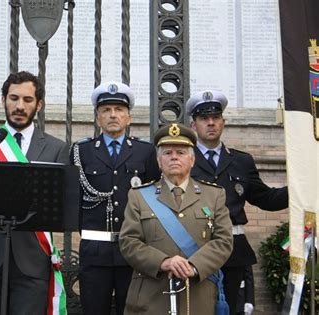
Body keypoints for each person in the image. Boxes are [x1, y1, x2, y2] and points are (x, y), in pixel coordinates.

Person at [0, 71, 69, 314]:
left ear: (39, 105)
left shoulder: (56, 148)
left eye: (28, 100)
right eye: (14, 98)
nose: (20, 106)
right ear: (3, 100)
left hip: (32, 262)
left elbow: (59, 204)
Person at [186, 90, 288, 314]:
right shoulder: (183, 159)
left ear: (223, 122)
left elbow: (266, 199)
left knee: (233, 309)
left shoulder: (241, 161)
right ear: (193, 125)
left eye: (215, 118)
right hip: (194, 248)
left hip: (234, 249)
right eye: (204, 119)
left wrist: (299, 190)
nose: (210, 123)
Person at [119, 122, 233, 314]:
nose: (174, 157)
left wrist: (194, 266)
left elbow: (223, 241)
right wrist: (163, 262)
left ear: (192, 160)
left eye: (180, 153)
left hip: (198, 296)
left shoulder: (214, 195)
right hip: (151, 297)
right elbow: (128, 241)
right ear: (158, 160)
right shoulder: (139, 196)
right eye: (167, 153)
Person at [71, 81, 160, 314]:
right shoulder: (81, 151)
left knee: (131, 310)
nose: (113, 115)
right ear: (98, 118)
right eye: (106, 110)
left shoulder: (145, 152)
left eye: (119, 110)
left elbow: (155, 199)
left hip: (133, 251)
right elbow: (74, 200)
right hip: (94, 251)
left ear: (129, 117)